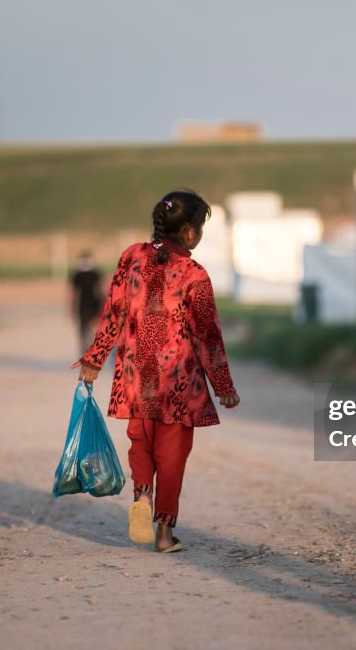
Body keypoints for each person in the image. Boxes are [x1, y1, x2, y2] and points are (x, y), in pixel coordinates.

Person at [71, 189, 240, 553]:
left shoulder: (131, 257)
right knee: (172, 456)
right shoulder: (195, 275)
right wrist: (223, 384)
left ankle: (143, 497)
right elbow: (207, 335)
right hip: (178, 386)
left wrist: (94, 358)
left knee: (140, 446)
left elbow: (113, 312)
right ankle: (164, 533)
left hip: (135, 378)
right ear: (191, 233)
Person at [68, 251, 103, 354]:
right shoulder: (95, 273)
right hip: (91, 305)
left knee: (85, 330)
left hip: (84, 306)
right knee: (88, 330)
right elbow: (100, 291)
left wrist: (71, 309)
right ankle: (90, 352)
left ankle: (86, 352)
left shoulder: (78, 274)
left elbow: (73, 294)